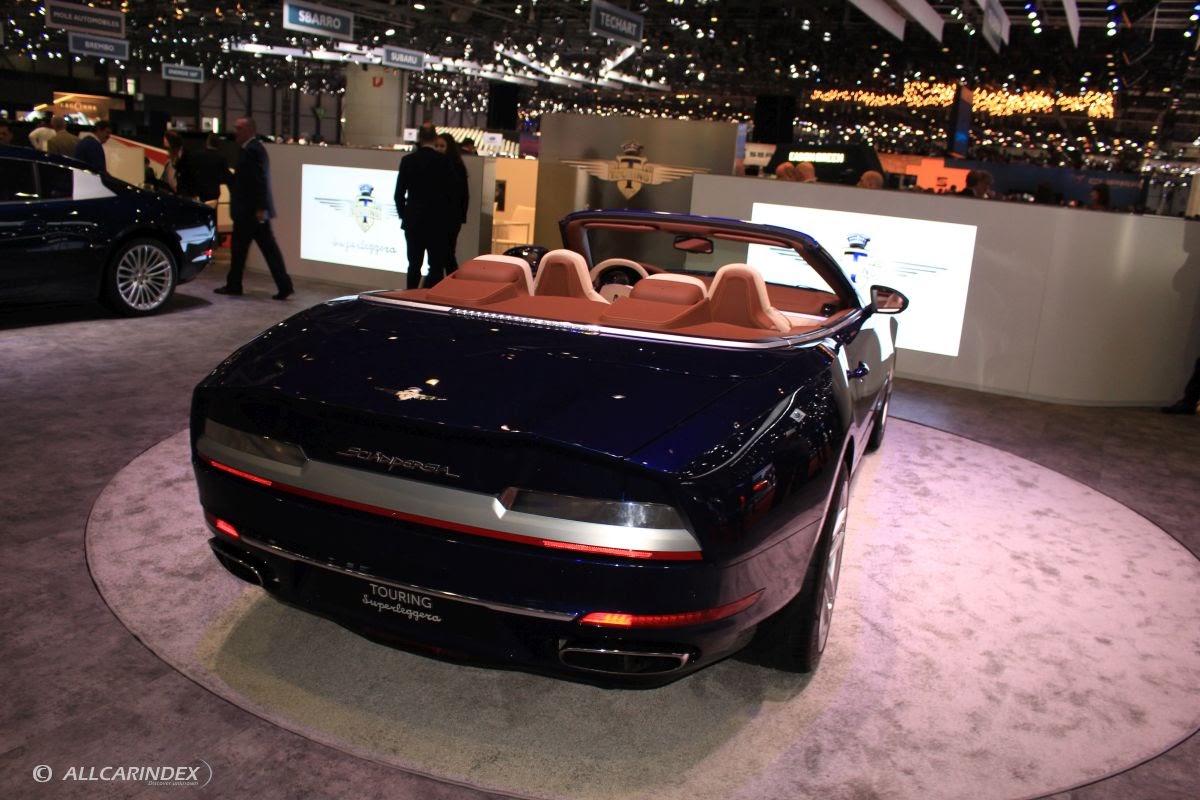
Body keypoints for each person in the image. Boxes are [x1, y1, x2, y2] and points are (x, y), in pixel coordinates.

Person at [214, 117, 294, 300]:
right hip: (251, 212)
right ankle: (282, 285)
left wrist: (260, 207)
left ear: (250, 129)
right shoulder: (252, 149)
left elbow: (258, 181)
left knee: (243, 250)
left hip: (249, 213)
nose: (236, 131)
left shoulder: (252, 150)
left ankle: (235, 285)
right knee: (260, 250)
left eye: (239, 128)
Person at [394, 125, 454, 289]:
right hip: (437, 221)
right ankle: (430, 298)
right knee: (435, 266)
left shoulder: (408, 161)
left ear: (419, 138)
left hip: (413, 221)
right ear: (435, 138)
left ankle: (410, 296)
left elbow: (399, 194)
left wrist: (405, 215)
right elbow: (451, 193)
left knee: (414, 265)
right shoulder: (444, 161)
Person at [435, 131, 469, 272]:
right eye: (437, 146)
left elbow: (464, 194)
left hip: (451, 217)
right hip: (440, 216)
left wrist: (460, 217)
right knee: (442, 254)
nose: (439, 149)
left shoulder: (456, 167)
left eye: (442, 146)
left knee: (447, 253)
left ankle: (453, 280)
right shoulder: (437, 165)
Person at [191, 134, 230, 203]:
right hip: (214, 192)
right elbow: (226, 176)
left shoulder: (198, 156)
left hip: (200, 191)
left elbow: (191, 173)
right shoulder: (221, 158)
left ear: (207, 142)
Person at [162, 130, 197, 197]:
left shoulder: (185, 155)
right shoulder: (171, 155)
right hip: (172, 191)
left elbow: (188, 174)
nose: (164, 141)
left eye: (165, 139)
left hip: (184, 192)